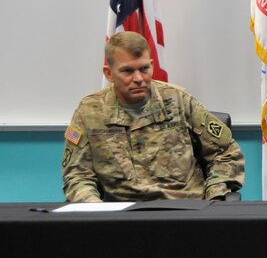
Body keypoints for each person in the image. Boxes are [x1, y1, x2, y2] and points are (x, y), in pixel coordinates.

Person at [62, 32, 244, 202]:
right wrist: (94, 208)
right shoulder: (89, 111)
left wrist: (215, 198)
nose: (139, 78)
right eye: (128, 71)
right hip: (121, 216)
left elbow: (226, 152)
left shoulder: (178, 100)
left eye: (144, 69)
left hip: (183, 210)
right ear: (109, 73)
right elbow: (77, 175)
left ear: (152, 65)